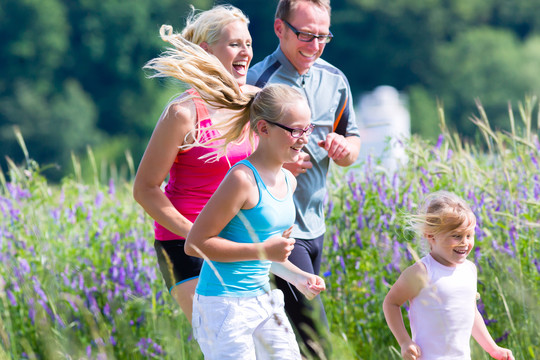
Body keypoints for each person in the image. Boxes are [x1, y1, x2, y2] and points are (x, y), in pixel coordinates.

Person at [247, 0, 361, 355]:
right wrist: (276, 166)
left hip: (316, 225)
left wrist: (345, 149)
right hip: (274, 229)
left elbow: (353, 138)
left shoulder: (336, 80)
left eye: (323, 37)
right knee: (315, 332)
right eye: (306, 35)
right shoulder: (254, 81)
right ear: (280, 28)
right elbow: (232, 151)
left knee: (283, 337)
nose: (314, 46)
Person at [133, 5, 255, 324]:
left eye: (249, 43)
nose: (245, 52)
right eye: (234, 44)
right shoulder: (183, 114)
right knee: (222, 338)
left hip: (243, 241)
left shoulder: (259, 105)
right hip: (185, 245)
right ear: (206, 51)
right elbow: (145, 189)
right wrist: (197, 235)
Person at [383, 191, 515, 360]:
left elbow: (471, 312)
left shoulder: (469, 270)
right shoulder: (422, 271)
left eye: (469, 235)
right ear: (431, 236)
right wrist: (404, 342)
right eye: (456, 236)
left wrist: (493, 349)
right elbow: (391, 303)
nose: (465, 242)